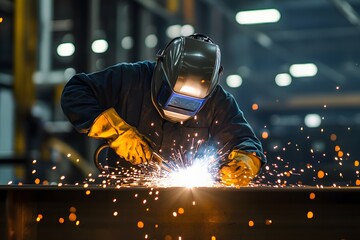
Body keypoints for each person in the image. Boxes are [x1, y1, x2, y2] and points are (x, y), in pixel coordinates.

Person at [61, 33, 266, 187]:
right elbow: (75, 91)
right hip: (123, 200)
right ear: (161, 71)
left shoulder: (219, 102)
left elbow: (246, 141)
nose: (179, 108)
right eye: (174, 96)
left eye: (191, 103)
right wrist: (117, 131)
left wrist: (245, 163)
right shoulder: (131, 79)